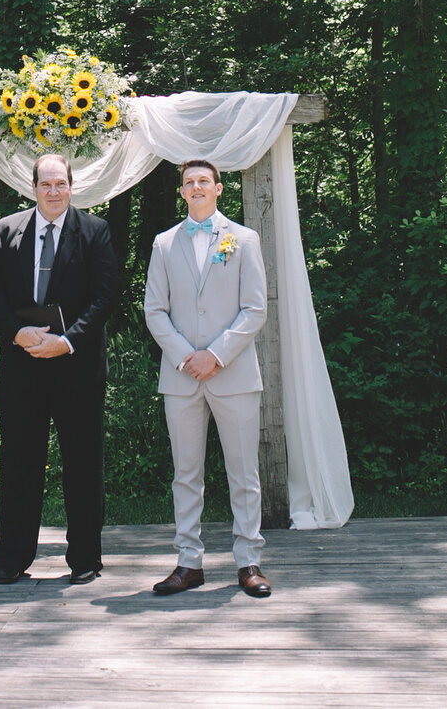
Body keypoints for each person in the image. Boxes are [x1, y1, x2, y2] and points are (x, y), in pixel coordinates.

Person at [0, 152, 118, 585]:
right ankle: (13, 558)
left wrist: (68, 340)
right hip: (23, 367)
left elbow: (105, 296)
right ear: (32, 187)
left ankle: (85, 560)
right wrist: (17, 333)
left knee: (83, 463)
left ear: (72, 186)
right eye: (46, 184)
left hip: (76, 367)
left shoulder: (94, 232)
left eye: (61, 184)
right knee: (19, 461)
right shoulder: (6, 231)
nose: (54, 192)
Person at [144, 159, 272, 597]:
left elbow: (255, 308)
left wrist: (215, 355)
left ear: (218, 188)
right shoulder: (163, 244)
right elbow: (154, 311)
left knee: (243, 472)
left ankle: (248, 559)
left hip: (233, 373)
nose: (196, 187)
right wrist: (186, 358)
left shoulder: (243, 239)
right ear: (182, 192)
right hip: (181, 378)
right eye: (188, 182)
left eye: (204, 181)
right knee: (186, 473)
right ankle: (188, 562)